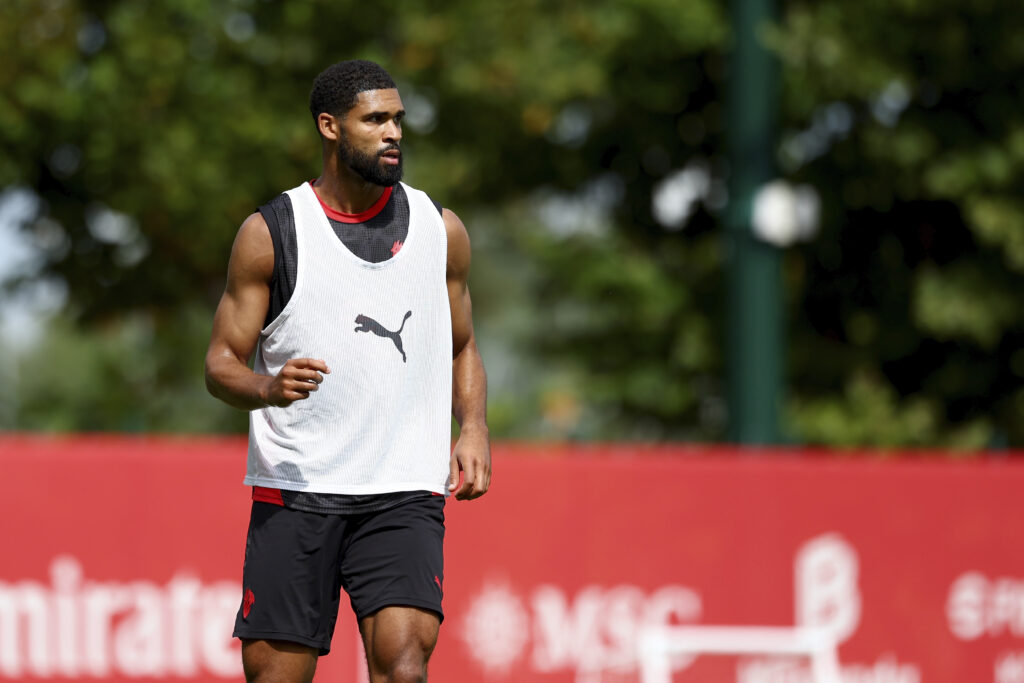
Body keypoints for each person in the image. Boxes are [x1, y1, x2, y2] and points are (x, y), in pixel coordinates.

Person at [204, 59, 491, 683]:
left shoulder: (441, 231)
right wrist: (267, 387)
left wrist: (473, 428)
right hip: (298, 489)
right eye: (375, 119)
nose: (393, 132)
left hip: (403, 488)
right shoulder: (271, 234)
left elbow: (462, 346)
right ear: (330, 127)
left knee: (404, 665)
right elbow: (220, 363)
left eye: (398, 119)